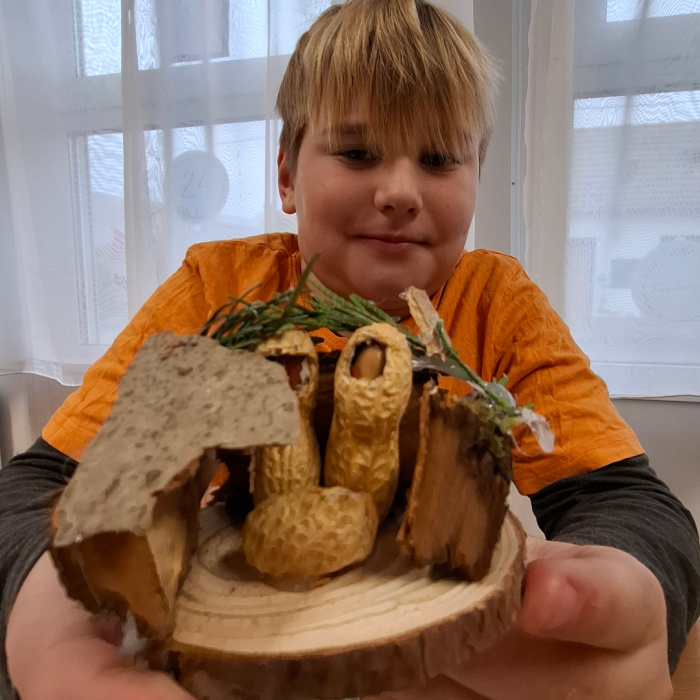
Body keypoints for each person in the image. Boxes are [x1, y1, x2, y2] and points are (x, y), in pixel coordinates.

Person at [2, 0, 699, 698]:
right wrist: (50, 636)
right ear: (286, 174)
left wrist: (630, 604)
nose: (399, 192)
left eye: (438, 158)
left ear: (478, 177)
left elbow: (626, 501)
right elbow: (38, 488)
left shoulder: (496, 303)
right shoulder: (217, 290)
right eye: (358, 153)